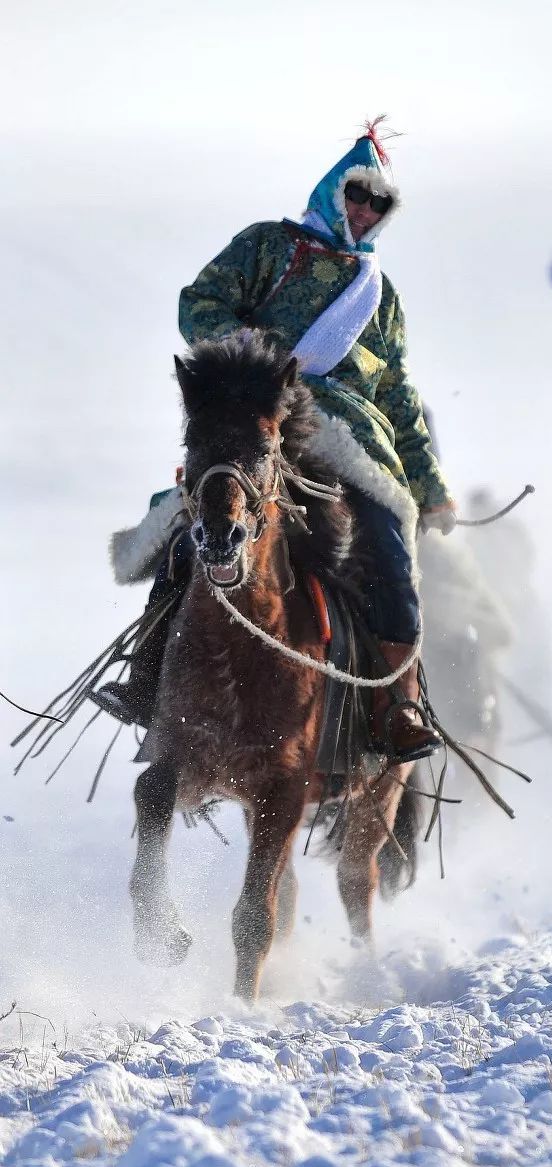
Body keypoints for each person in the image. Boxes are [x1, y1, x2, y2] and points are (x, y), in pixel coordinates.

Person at [93, 120, 454, 761]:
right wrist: (260, 361)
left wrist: (428, 485)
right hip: (256, 415)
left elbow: (396, 390)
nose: (367, 210)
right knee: (194, 524)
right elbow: (199, 303)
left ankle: (397, 705)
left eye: (380, 202)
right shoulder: (267, 246)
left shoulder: (380, 296)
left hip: (352, 437)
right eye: (358, 194)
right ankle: (147, 677)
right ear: (333, 191)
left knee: (390, 546)